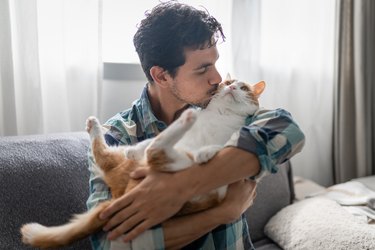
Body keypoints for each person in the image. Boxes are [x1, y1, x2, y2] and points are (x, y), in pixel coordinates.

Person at [86, 1, 305, 249]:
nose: (218, 78)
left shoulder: (221, 105)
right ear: (161, 76)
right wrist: (223, 213)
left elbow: (289, 129)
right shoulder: (116, 138)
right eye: (203, 69)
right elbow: (107, 244)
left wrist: (183, 184)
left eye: (215, 63)